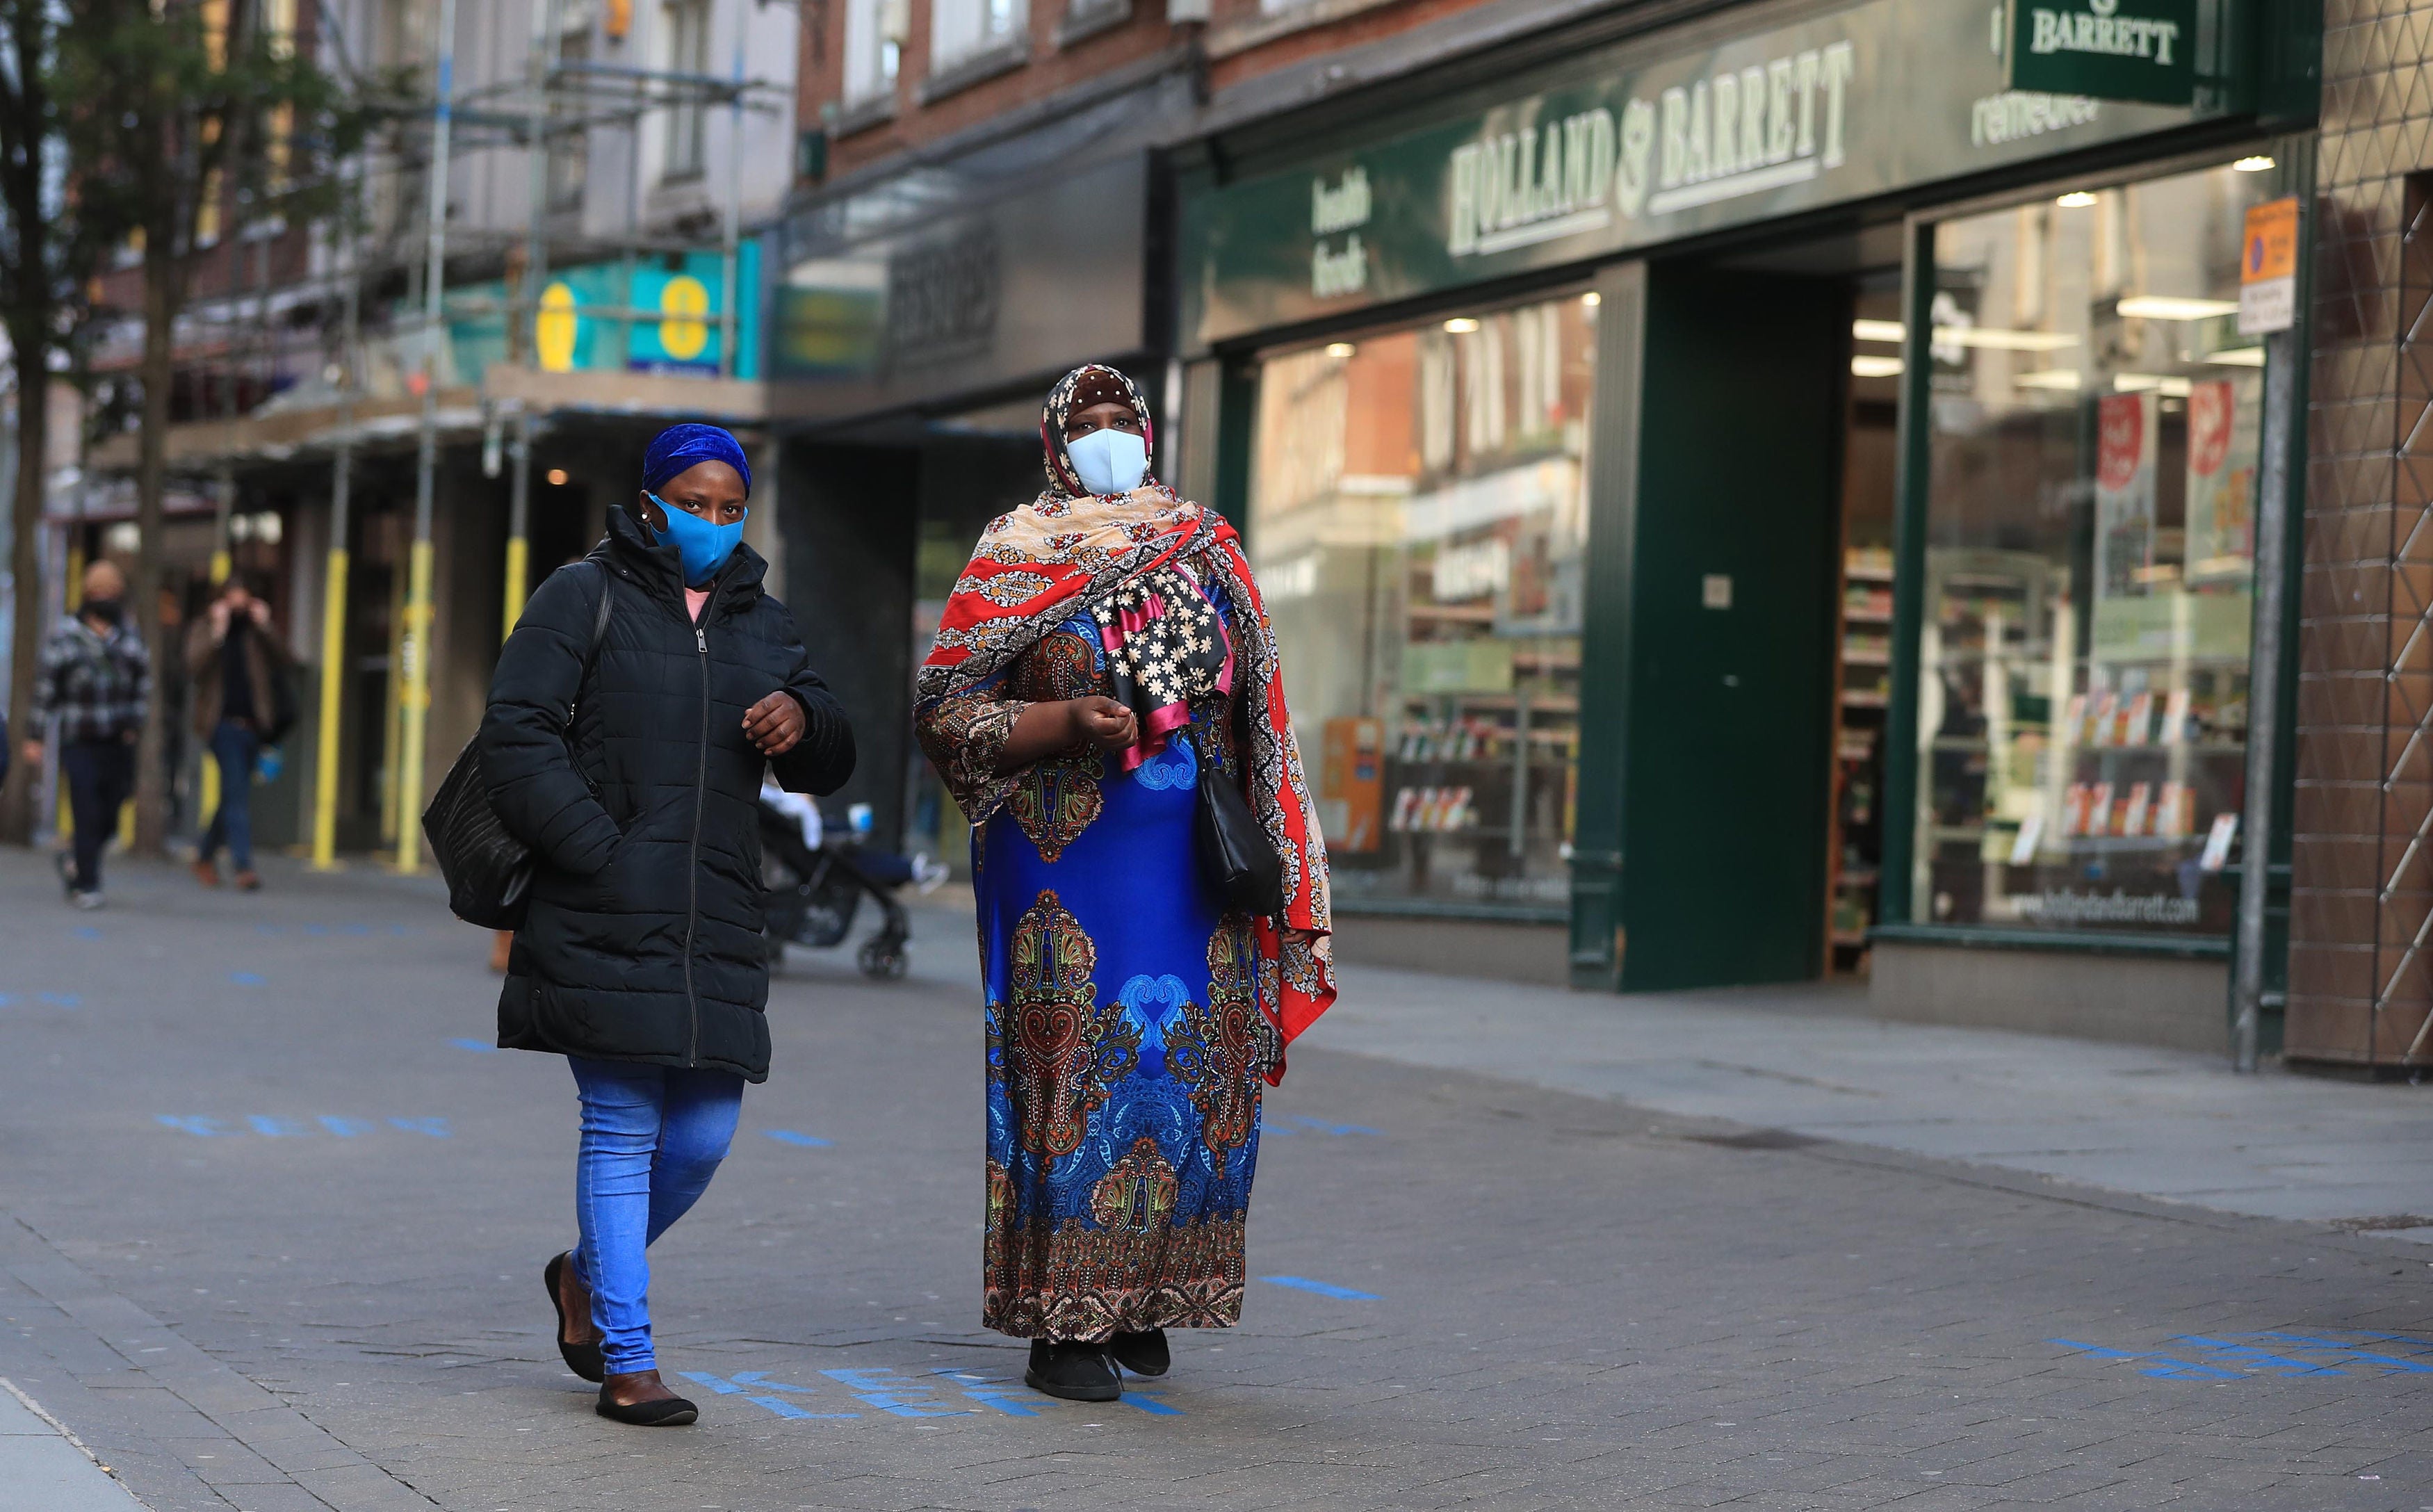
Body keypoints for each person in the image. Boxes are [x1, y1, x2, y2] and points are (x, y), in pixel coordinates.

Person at [913, 364, 1335, 1404]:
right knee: (1078, 1073)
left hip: (1199, 855)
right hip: (1064, 862)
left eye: (1123, 422)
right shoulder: (1013, 550)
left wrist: (1286, 859)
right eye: (1088, 424)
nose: (1109, 439)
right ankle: (1061, 1325)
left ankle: (1148, 1297)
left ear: (1149, 434)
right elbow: (943, 706)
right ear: (1057, 444)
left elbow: (1262, 713)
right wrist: (1058, 722)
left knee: (1197, 1069)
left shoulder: (1205, 544)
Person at [479, 423, 853, 1429]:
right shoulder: (580, 595)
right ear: (652, 501)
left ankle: (581, 1272)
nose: (715, 521)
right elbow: (516, 736)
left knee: (702, 1134)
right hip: (598, 902)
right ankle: (628, 1357)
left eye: (732, 506)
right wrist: (597, 848)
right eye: (697, 500)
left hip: (718, 915)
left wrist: (802, 720)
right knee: (621, 1126)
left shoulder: (762, 622)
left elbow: (831, 747)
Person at [24, 560, 151, 909]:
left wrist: (135, 725)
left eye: (111, 593)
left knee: (112, 809)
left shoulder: (129, 637)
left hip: (117, 738)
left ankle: (75, 857)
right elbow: (45, 688)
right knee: (86, 808)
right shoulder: (66, 636)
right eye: (99, 592)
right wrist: (34, 735)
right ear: (87, 595)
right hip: (79, 737)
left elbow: (143, 682)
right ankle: (88, 884)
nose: (105, 598)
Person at [184, 573, 288, 891]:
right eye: (231, 598)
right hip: (222, 725)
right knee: (237, 794)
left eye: (243, 598)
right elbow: (193, 666)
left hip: (254, 726)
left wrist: (266, 626)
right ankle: (243, 866)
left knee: (234, 793)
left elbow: (285, 660)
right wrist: (217, 631)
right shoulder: (207, 628)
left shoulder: (255, 634)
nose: (237, 605)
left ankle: (204, 856)